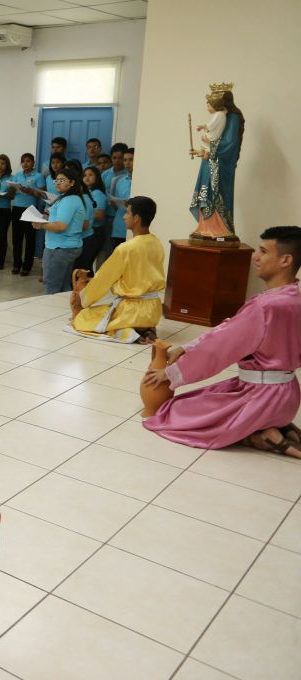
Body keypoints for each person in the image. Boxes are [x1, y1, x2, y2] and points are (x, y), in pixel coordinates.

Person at [143, 226, 301, 458]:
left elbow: (220, 346)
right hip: (287, 395)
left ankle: (259, 435)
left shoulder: (264, 306)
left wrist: (173, 372)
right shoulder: (294, 297)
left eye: (263, 251)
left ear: (285, 260)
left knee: (173, 412)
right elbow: (229, 330)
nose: (255, 257)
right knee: (202, 396)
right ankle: (277, 426)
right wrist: (187, 347)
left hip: (260, 398)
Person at [71, 196, 164, 343]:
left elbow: (103, 279)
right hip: (154, 310)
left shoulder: (126, 248)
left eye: (127, 213)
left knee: (83, 318)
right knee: (102, 311)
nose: (124, 216)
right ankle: (144, 328)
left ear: (137, 218)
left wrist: (82, 300)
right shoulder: (156, 242)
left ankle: (129, 332)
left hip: (132, 310)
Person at [190, 87, 244, 239]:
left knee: (215, 192)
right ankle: (204, 227)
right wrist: (203, 152)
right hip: (209, 161)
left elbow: (230, 143)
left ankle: (219, 230)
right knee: (204, 190)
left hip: (220, 163)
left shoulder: (232, 118)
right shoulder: (220, 116)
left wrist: (211, 149)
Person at [35, 166, 85, 294]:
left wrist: (41, 225)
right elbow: (57, 218)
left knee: (52, 285)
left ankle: (52, 312)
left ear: (72, 182)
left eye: (62, 180)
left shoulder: (69, 200)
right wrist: (44, 217)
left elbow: (61, 226)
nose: (57, 183)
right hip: (65, 247)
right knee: (63, 286)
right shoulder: (66, 198)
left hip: (59, 248)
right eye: (56, 180)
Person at [10, 152, 45, 276]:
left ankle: (27, 266)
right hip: (17, 209)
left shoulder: (39, 176)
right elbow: (13, 191)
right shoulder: (17, 175)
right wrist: (12, 188)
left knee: (30, 239)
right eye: (23, 161)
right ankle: (17, 264)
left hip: (31, 209)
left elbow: (41, 194)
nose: (25, 163)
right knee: (16, 238)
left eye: (28, 161)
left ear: (33, 163)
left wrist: (30, 191)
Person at [72, 166, 109, 273]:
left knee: (85, 266)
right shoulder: (87, 192)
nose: (86, 178)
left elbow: (99, 215)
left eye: (90, 175)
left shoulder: (98, 193)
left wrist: (81, 214)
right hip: (89, 231)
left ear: (97, 177)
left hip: (96, 232)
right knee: (84, 266)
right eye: (84, 175)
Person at [0, 154, 14, 271]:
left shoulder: (11, 178)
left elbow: (12, 195)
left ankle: (1, 262)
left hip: (4, 211)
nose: (0, 166)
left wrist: (2, 195)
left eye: (3, 164)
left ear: (7, 165)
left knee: (2, 236)